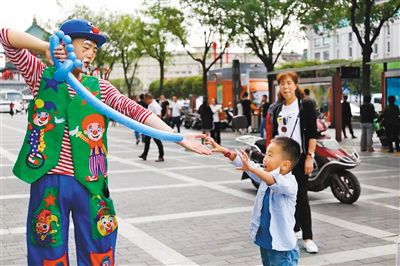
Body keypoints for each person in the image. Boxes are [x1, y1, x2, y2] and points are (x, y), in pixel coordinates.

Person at [1, 19, 211, 265]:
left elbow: (137, 112)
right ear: (66, 45)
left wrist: (178, 137)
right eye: (86, 46)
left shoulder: (99, 87)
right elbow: (5, 37)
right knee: (46, 245)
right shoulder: (40, 76)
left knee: (99, 245)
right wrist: (46, 46)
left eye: (94, 50)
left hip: (90, 183)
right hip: (49, 180)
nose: (91, 54)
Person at [206, 136, 300, 266]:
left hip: (281, 246)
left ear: (285, 165)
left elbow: (273, 181)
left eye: (270, 155)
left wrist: (251, 168)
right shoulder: (266, 175)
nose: (265, 158)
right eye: (266, 154)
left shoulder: (289, 183)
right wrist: (224, 151)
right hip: (267, 241)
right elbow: (246, 164)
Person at [271, 71, 318, 253]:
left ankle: (308, 237)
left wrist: (310, 157)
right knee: (284, 197)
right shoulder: (277, 108)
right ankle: (294, 229)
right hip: (283, 161)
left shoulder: (305, 105)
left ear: (296, 85)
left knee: (301, 198)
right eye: (282, 84)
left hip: (300, 158)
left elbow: (312, 134)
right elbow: (277, 135)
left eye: (289, 83)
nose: (285, 87)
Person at [139, 93, 165, 162]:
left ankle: (161, 156)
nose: (144, 101)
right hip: (150, 126)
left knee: (158, 141)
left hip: (154, 126)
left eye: (145, 100)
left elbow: (159, 116)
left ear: (149, 99)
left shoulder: (155, 105)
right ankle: (144, 155)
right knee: (147, 141)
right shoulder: (150, 105)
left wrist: (156, 126)